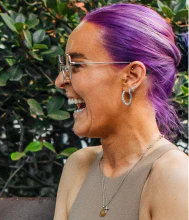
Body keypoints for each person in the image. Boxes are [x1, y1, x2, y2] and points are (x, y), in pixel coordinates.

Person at [54, 3, 189, 220]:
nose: (60, 81)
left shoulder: (174, 176)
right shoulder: (79, 165)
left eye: (76, 66)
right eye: (64, 67)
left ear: (132, 76)